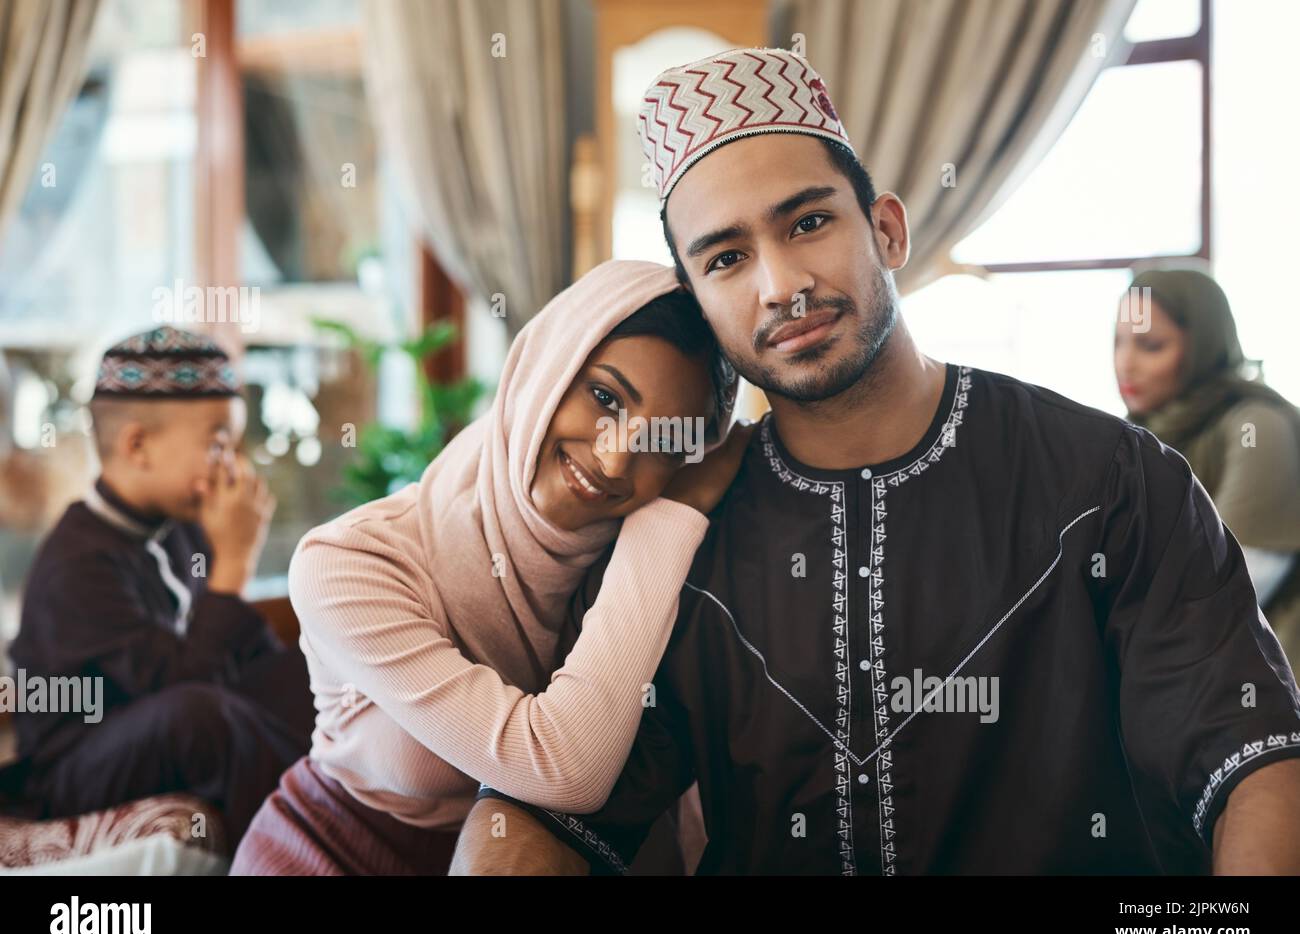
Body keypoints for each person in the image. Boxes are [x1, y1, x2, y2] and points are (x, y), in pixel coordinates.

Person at [452, 47, 1300, 876]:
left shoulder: (1112, 481)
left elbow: (1252, 756)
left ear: (887, 229)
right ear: (701, 305)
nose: (781, 283)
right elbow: (546, 808)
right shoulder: (675, 541)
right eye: (726, 259)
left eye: (809, 223)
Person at [230, 259, 748, 875]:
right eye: (605, 397)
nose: (614, 460)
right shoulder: (348, 564)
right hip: (329, 856)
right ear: (546, 368)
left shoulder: (645, 570)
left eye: (662, 442)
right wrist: (673, 512)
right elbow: (568, 771)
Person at [0, 326, 313, 849]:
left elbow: (237, 657)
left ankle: (368, 808)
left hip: (162, 715)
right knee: (198, 716)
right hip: (76, 764)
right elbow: (179, 686)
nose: (231, 465)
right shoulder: (78, 565)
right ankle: (317, 840)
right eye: (217, 444)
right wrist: (235, 561)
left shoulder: (182, 530)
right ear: (137, 445)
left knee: (304, 669)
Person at [1115, 268, 1300, 667]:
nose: (1125, 363)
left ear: (1203, 345)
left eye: (1150, 345)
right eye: (1119, 342)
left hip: (1264, 682)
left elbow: (1235, 582)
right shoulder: (1139, 436)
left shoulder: (1255, 425)